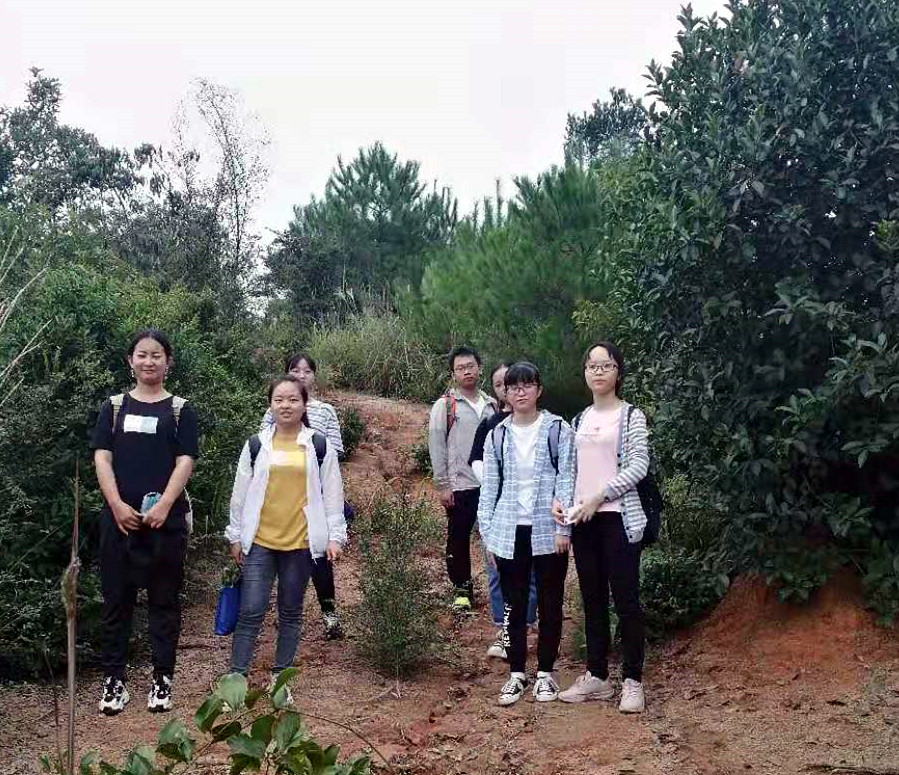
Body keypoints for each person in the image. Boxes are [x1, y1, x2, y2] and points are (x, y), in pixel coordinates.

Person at [92, 328, 199, 715]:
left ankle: (162, 680)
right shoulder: (113, 407)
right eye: (142, 354)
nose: (149, 361)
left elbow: (186, 460)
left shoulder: (180, 410)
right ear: (130, 361)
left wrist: (165, 505)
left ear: (168, 362)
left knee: (164, 603)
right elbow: (102, 457)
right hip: (119, 522)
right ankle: (114, 682)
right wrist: (117, 504)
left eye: (156, 355)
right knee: (115, 603)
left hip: (164, 525)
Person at [227, 375, 346, 700]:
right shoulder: (256, 444)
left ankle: (280, 682)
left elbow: (333, 493)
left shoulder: (318, 445)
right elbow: (240, 493)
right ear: (270, 405)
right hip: (260, 542)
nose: (286, 405)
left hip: (301, 543)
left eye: (293, 399)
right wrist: (235, 535)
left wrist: (335, 537)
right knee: (250, 611)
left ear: (305, 404)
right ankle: (235, 682)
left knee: (290, 612)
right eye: (279, 399)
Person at [554, 341, 648, 714]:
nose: (598, 371)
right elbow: (570, 470)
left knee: (626, 600)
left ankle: (633, 681)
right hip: (584, 521)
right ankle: (597, 676)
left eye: (605, 365)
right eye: (592, 365)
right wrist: (564, 502)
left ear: (618, 372)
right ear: (585, 373)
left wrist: (600, 496)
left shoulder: (631, 416)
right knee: (592, 599)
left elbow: (638, 465)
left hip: (618, 518)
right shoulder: (579, 420)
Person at [478, 362, 574, 706]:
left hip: (548, 530)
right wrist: (488, 536)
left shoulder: (558, 429)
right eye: (513, 387)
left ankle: (546, 673)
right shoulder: (497, 434)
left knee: (550, 602)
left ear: (539, 389)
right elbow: (489, 489)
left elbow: (566, 479)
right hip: (508, 531)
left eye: (527, 385)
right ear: (505, 393)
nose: (520, 392)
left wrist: (564, 528)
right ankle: (516, 673)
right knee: (513, 605)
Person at [262, 353, 346, 639]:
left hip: (317, 495)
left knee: (319, 555)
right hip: (281, 497)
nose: (301, 375)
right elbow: (263, 451)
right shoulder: (274, 410)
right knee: (283, 553)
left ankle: (329, 614)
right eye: (295, 370)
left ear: (314, 376)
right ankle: (285, 612)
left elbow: (336, 452)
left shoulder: (325, 411)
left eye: (307, 371)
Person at [469, 362, 537, 659]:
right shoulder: (491, 425)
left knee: (531, 572)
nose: (511, 390)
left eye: (523, 384)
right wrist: (495, 484)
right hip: (497, 509)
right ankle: (504, 630)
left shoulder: (544, 425)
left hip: (531, 513)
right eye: (501, 385)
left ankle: (527, 624)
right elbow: (476, 460)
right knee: (497, 570)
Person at [428, 345, 497, 612]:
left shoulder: (492, 404)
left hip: (490, 484)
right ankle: (462, 591)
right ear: (453, 374)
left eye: (470, 366)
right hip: (460, 484)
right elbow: (437, 446)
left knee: (494, 537)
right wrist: (442, 484)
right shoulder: (445, 405)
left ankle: (501, 590)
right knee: (458, 538)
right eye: (460, 368)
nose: (466, 371)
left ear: (480, 368)